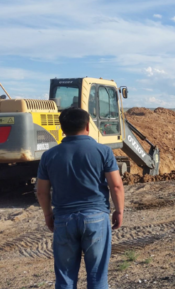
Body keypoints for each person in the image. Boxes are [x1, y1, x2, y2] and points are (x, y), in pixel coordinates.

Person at [36, 107, 124, 289]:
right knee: (97, 276)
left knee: (65, 278)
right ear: (87, 126)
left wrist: (48, 215)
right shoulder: (103, 151)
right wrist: (119, 211)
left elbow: (42, 191)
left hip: (63, 219)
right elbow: (116, 185)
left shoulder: (49, 156)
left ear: (62, 128)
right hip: (96, 218)